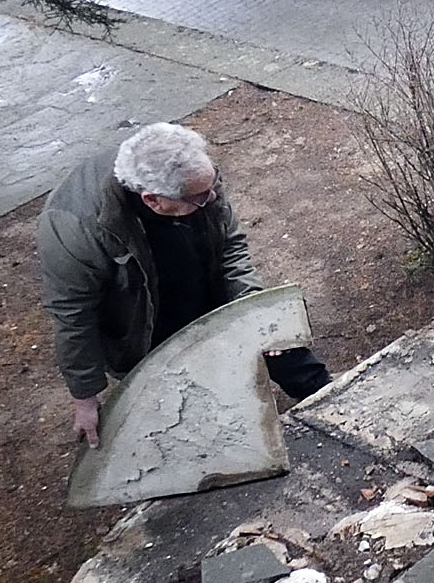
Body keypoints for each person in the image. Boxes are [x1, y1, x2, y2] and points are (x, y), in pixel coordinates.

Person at [36, 123, 331, 448]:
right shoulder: (74, 228)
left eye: (213, 183)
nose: (214, 196)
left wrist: (253, 309)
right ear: (154, 201)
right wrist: (85, 396)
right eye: (202, 197)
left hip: (200, 280)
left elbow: (231, 245)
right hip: (143, 321)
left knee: (280, 346)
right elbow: (74, 318)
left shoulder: (192, 174)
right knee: (191, 395)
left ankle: (328, 399)